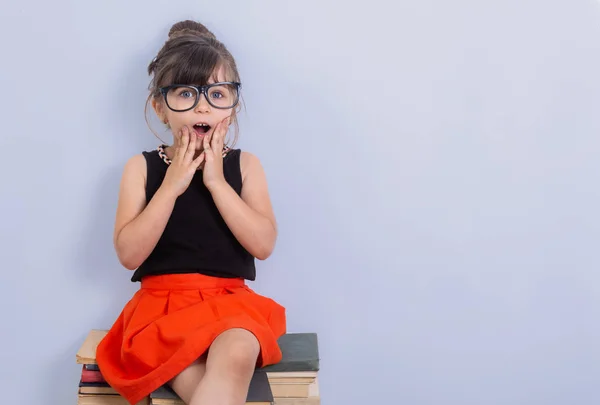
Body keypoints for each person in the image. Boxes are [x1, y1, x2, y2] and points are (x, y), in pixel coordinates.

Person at [95, 19, 286, 405]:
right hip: (160, 312)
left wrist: (215, 182)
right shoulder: (141, 168)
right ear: (160, 107)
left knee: (237, 351)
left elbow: (263, 245)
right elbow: (129, 254)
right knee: (195, 378)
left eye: (217, 93)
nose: (202, 104)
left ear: (231, 108)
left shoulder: (245, 165)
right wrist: (172, 185)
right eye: (185, 93)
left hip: (230, 303)